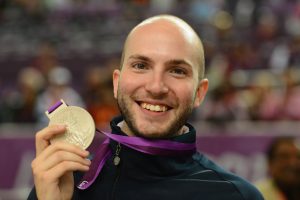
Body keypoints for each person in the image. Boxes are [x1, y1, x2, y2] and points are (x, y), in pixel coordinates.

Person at [27, 14, 263, 200]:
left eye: (177, 71)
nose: (156, 86)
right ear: (117, 83)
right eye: (141, 65)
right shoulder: (65, 182)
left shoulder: (237, 196)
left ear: (199, 93)